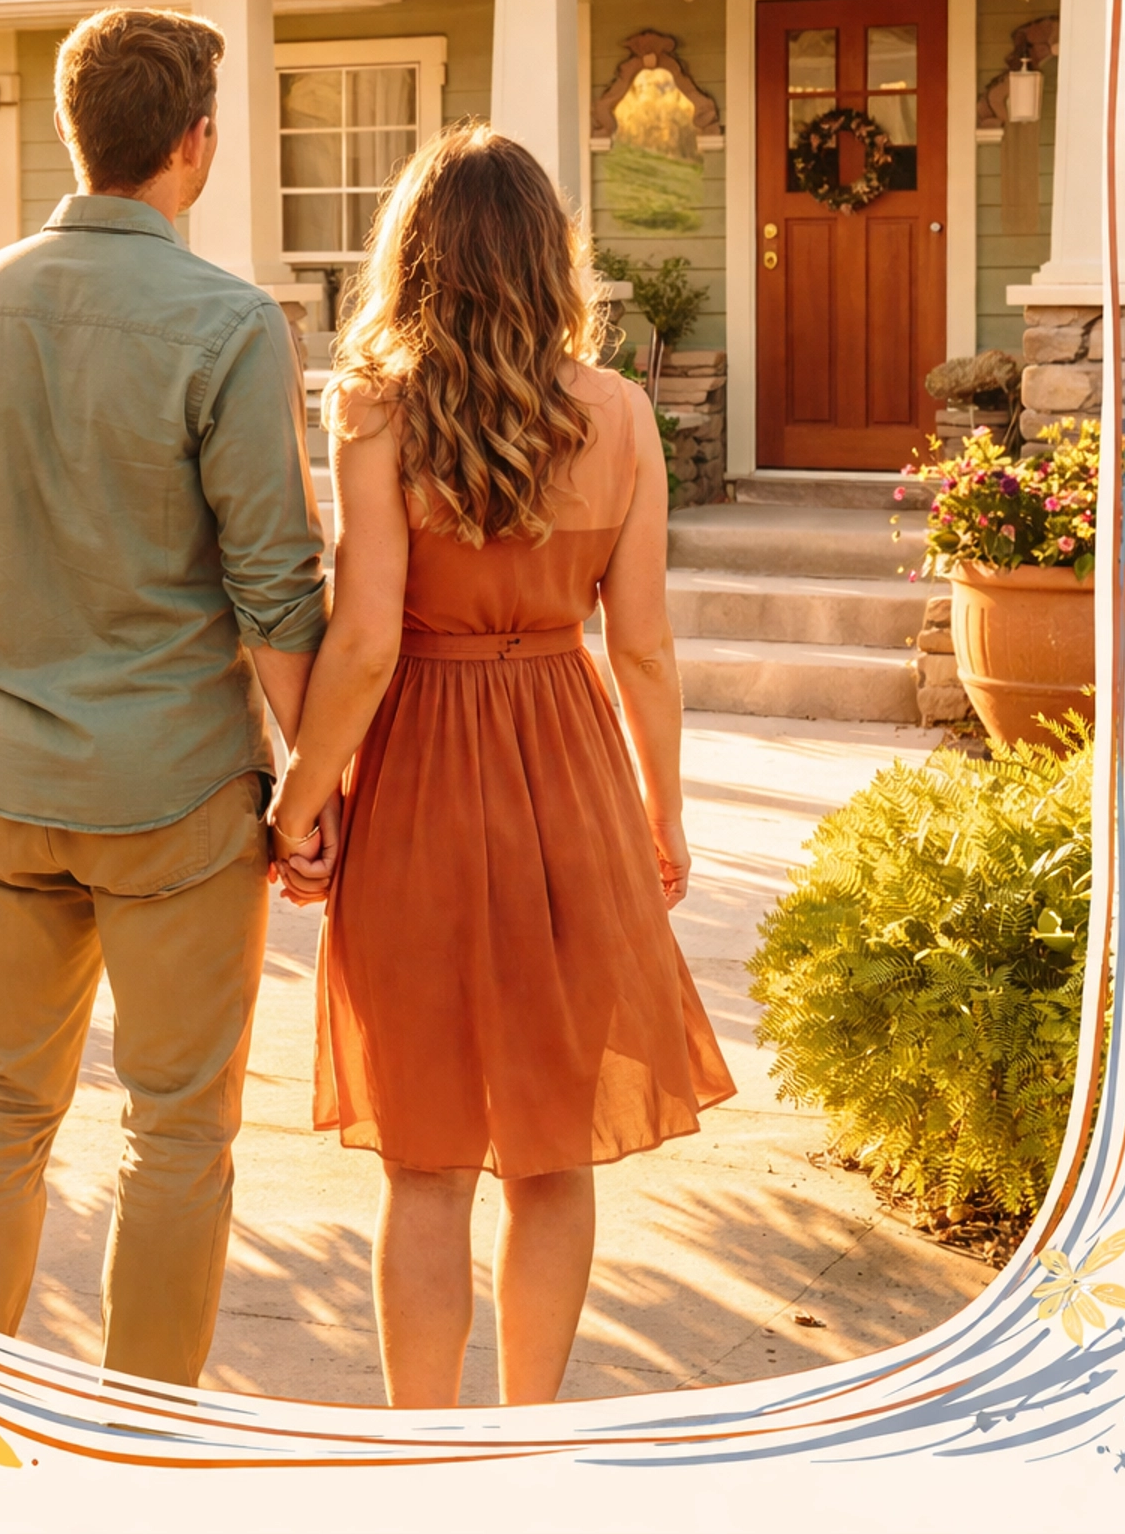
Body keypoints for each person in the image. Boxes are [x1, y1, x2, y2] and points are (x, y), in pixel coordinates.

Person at [0, 6, 333, 1387]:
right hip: (179, 801)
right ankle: (147, 1449)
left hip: (13, 790)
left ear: (82, 133)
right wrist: (316, 786)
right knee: (179, 1133)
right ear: (194, 145)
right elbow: (275, 593)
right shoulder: (226, 323)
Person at [266, 124, 735, 1409]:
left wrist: (297, 805)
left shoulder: (372, 407)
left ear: (411, 257)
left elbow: (362, 643)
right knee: (550, 1157)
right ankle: (528, 1444)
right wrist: (664, 810)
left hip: (421, 771)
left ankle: (425, 1456)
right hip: (570, 780)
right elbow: (640, 649)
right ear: (551, 257)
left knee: (424, 1164)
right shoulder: (625, 414)